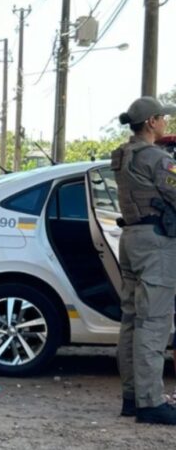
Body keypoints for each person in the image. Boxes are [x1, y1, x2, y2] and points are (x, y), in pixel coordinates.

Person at [112, 95, 176, 424]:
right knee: (153, 324)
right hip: (157, 245)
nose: (166, 122)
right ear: (151, 122)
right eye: (163, 118)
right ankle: (151, 403)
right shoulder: (156, 158)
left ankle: (132, 397)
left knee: (132, 321)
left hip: (132, 239)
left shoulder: (123, 155)